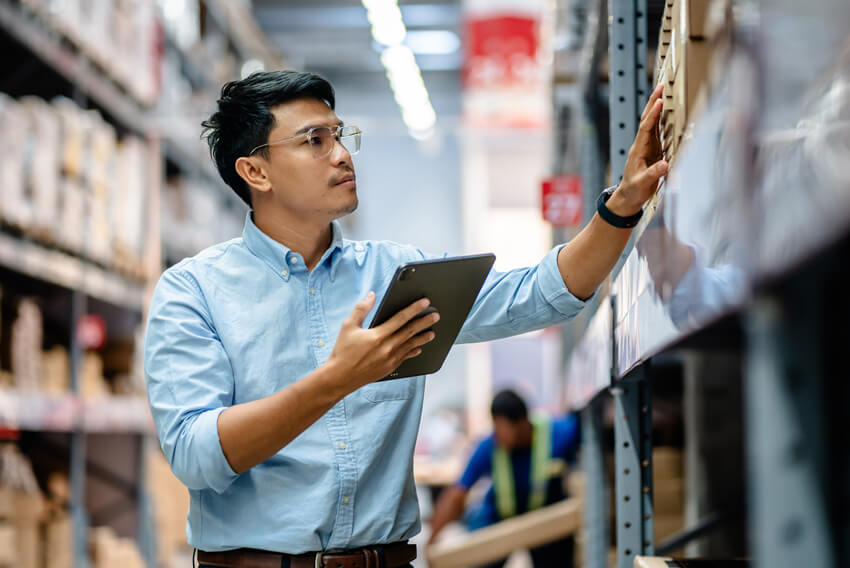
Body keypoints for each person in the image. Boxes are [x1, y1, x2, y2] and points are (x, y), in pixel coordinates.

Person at [143, 70, 667, 568]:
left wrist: (621, 205)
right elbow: (196, 455)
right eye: (314, 141)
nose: (343, 155)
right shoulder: (194, 292)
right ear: (255, 171)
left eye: (341, 136)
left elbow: (537, 295)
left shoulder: (397, 274)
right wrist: (336, 380)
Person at [426, 390, 580, 567]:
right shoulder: (489, 445)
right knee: (479, 556)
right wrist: (432, 542)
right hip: (499, 518)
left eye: (503, 426)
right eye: (495, 426)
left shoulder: (560, 433)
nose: (498, 433)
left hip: (546, 519)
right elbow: (457, 493)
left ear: (523, 422)